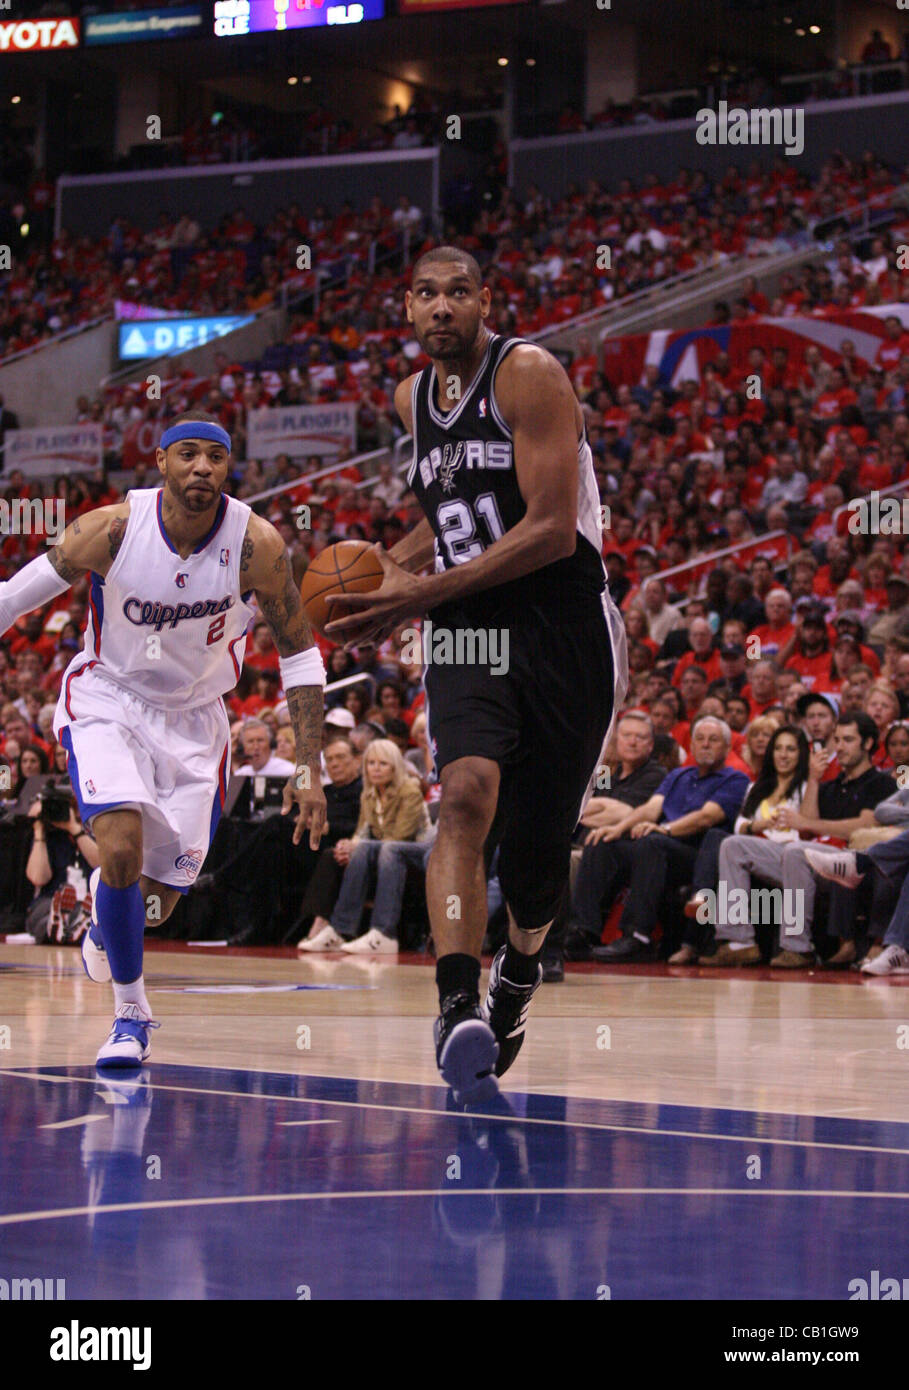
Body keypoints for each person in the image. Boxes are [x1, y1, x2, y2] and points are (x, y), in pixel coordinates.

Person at [324, 245, 627, 1099]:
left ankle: (517, 981)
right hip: (468, 623)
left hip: (561, 618)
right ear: (408, 308)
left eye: (458, 292)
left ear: (484, 301)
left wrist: (413, 594)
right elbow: (451, 517)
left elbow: (548, 530)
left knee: (534, 863)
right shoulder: (410, 398)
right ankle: (457, 1002)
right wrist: (383, 569)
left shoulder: (527, 373)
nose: (442, 307)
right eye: (426, 293)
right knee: (460, 794)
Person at [0, 411, 327, 1068]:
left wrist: (308, 769)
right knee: (118, 848)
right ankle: (130, 1017)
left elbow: (299, 654)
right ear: (161, 462)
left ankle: (104, 914)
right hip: (109, 699)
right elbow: (11, 599)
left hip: (197, 717)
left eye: (214, 456)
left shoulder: (257, 545)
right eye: (188, 454)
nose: (201, 467)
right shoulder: (111, 529)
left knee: (158, 902)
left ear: (228, 467)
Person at [706, 713, 896, 968]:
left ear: (869, 744)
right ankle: (738, 940)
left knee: (796, 852)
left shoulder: (882, 782)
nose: (839, 746)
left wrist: (808, 824)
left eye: (848, 740)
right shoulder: (830, 785)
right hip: (814, 860)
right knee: (733, 845)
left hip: (852, 865)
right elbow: (806, 829)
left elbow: (863, 827)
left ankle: (798, 947)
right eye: (837, 740)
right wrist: (815, 781)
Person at [562, 715, 748, 964]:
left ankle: (637, 937)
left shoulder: (734, 779)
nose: (705, 744)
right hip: (658, 845)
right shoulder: (677, 776)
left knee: (651, 842)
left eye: (713, 740)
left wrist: (666, 829)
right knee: (601, 842)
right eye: (700, 739)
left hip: (697, 852)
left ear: (727, 747)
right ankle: (582, 932)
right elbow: (650, 809)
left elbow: (706, 817)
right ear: (691, 745)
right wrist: (616, 830)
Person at [682, 724, 810, 965]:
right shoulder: (757, 787)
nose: (783, 755)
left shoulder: (808, 787)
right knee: (729, 843)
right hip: (758, 852)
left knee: (735, 845)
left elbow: (807, 829)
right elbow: (740, 824)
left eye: (791, 749)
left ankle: (705, 908)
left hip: (794, 855)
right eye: (779, 749)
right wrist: (759, 826)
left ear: (802, 754)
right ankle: (737, 941)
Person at [301, 739, 433, 954]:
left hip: (417, 851)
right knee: (353, 850)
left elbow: (401, 836)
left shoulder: (410, 790)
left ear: (395, 766)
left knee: (382, 849)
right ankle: (340, 930)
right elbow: (361, 832)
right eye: (371, 763)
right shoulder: (368, 793)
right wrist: (348, 845)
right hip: (385, 850)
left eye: (383, 763)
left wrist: (358, 845)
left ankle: (384, 933)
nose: (376, 769)